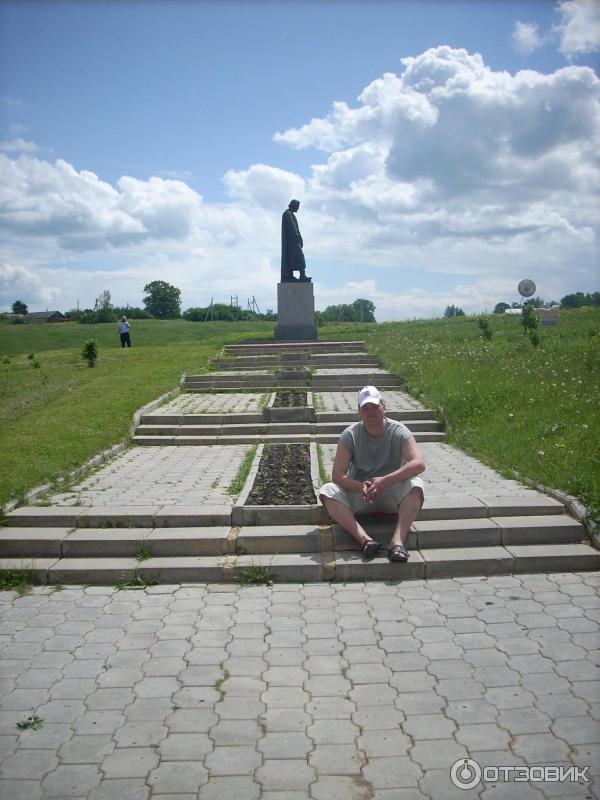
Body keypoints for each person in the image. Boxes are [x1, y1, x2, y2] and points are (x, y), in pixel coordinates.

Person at [319, 386, 425, 562]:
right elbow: (337, 475)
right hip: (363, 495)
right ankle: (365, 540)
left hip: (391, 494)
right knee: (328, 490)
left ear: (384, 406)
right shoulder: (350, 435)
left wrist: (384, 481)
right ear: (359, 412)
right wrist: (362, 486)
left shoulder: (399, 431)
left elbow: (418, 463)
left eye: (375, 406)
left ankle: (397, 542)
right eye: (365, 408)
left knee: (416, 484)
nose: (370, 412)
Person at [281, 199, 311, 283]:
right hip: (292, 243)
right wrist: (297, 236)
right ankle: (301, 275)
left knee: (294, 259)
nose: (298, 209)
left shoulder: (290, 214)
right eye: (297, 207)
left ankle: (294, 275)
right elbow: (292, 227)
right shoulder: (287, 214)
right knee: (300, 257)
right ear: (293, 205)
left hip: (294, 242)